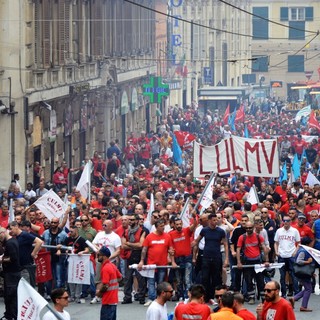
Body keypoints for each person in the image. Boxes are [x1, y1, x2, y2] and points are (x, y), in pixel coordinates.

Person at [138, 219, 177, 306]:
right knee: (151, 282)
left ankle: (159, 299)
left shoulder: (167, 236)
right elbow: (144, 250)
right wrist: (141, 261)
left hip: (162, 265)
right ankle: (151, 298)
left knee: (160, 282)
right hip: (151, 265)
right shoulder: (149, 237)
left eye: (163, 226)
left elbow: (171, 250)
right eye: (161, 226)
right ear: (156, 227)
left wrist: (173, 261)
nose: (163, 228)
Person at [193, 213, 228, 302]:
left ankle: (215, 297)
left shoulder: (221, 231)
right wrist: (194, 252)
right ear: (209, 221)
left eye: (216, 220)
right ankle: (205, 297)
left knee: (216, 278)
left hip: (217, 257)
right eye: (214, 220)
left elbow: (225, 244)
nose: (216, 221)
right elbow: (197, 241)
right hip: (206, 257)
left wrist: (227, 258)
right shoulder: (204, 230)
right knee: (205, 278)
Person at [9, 220, 43, 287]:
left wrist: (33, 253)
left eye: (11, 228)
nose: (10, 231)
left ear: (16, 226)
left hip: (27, 266)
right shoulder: (17, 237)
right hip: (22, 266)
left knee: (28, 287)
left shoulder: (24, 234)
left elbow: (39, 242)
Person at [274, 216, 300, 298]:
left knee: (293, 275)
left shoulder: (294, 231)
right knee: (282, 276)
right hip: (282, 255)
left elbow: (299, 243)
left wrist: (295, 252)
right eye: (284, 221)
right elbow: (276, 242)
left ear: (290, 221)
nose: (286, 222)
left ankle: (296, 293)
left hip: (291, 255)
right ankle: (284, 293)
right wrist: (276, 252)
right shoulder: (279, 231)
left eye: (287, 221)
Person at [0, 226, 21, 320]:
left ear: (3, 233)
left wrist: (2, 259)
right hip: (11, 273)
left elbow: (13, 258)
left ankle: (12, 315)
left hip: (11, 273)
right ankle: (10, 314)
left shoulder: (10, 243)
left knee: (11, 296)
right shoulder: (13, 241)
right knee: (9, 296)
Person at [96, 246, 122, 320]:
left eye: (99, 255)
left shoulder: (105, 268)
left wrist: (99, 293)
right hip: (113, 300)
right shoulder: (112, 265)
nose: (98, 257)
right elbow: (120, 277)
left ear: (104, 256)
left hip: (107, 300)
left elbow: (105, 286)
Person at [289, 238, 315, 312]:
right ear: (307, 244)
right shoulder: (303, 251)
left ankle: (294, 298)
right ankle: (303, 306)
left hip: (304, 272)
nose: (311, 245)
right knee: (308, 289)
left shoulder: (303, 250)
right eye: (310, 243)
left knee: (307, 288)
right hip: (303, 273)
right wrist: (307, 262)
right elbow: (298, 261)